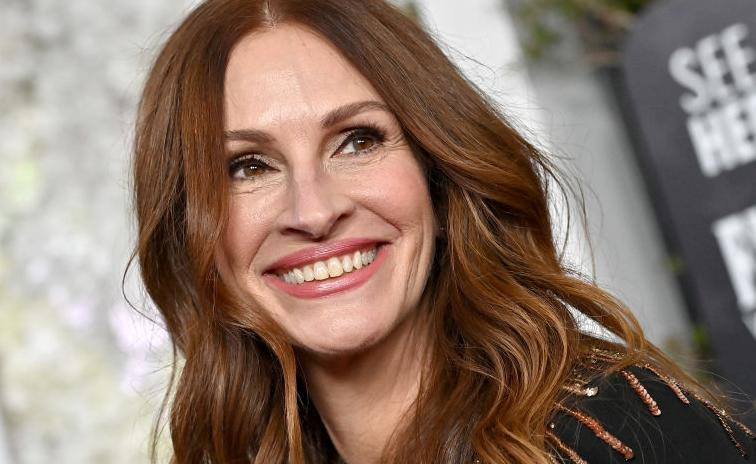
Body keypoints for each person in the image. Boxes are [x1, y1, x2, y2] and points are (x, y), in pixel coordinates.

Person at [130, 0, 755, 462]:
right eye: (248, 167)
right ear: (190, 227)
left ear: (437, 170)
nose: (314, 212)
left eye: (357, 140)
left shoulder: (619, 435)